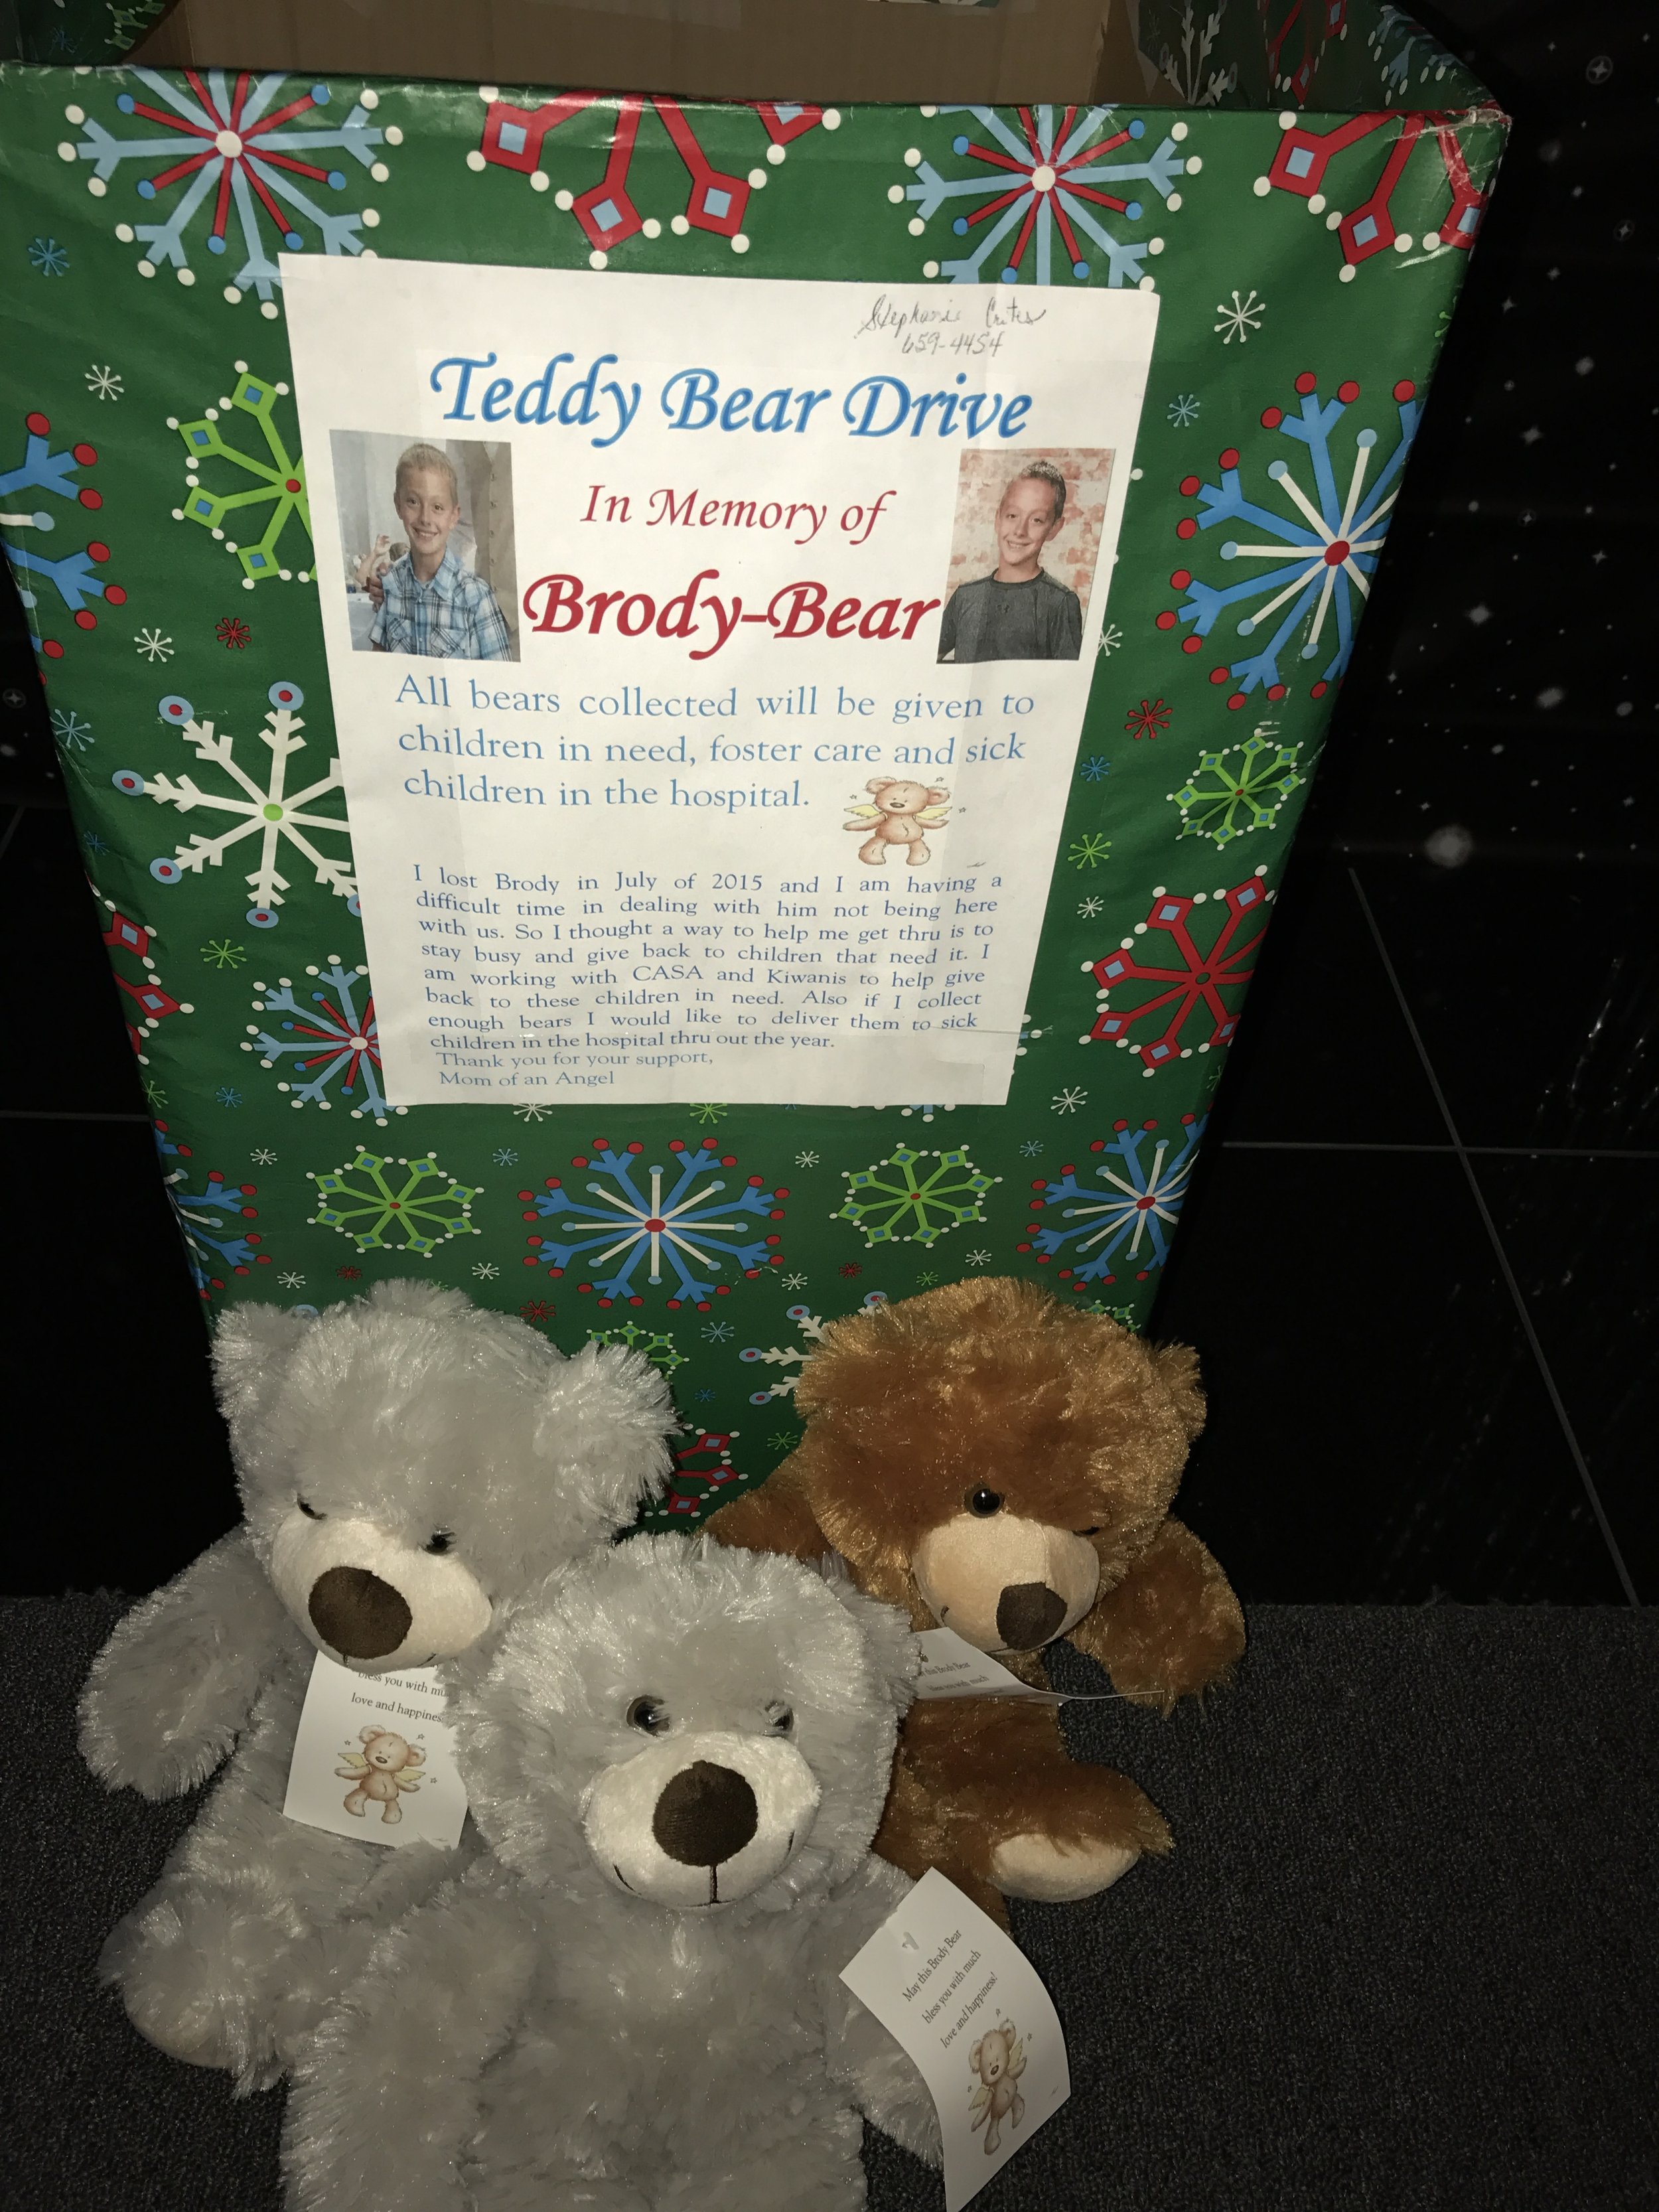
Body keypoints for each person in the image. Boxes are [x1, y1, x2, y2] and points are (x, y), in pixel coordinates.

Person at [367, 443, 511, 660]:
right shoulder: (390, 585)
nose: (425, 518)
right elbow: (378, 663)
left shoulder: (477, 598)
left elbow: (500, 684)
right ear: (398, 505)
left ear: (454, 515)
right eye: (413, 502)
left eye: (438, 507)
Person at [938, 458, 1083, 664]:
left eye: (1037, 520)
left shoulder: (1059, 603)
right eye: (1013, 516)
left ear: (1054, 528)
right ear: (998, 519)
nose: (1020, 531)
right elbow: (927, 664)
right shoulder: (965, 597)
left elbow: (1067, 683)